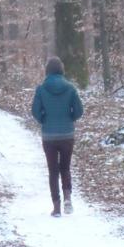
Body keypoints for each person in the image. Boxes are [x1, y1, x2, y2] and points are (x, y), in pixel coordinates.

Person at [31, 57, 84, 217]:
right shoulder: (71, 88)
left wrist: (43, 119)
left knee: (53, 171)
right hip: (67, 134)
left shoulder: (41, 89)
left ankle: (57, 207)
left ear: (47, 70)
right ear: (61, 70)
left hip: (49, 136)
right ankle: (68, 197)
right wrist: (70, 118)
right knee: (65, 167)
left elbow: (35, 111)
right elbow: (79, 111)